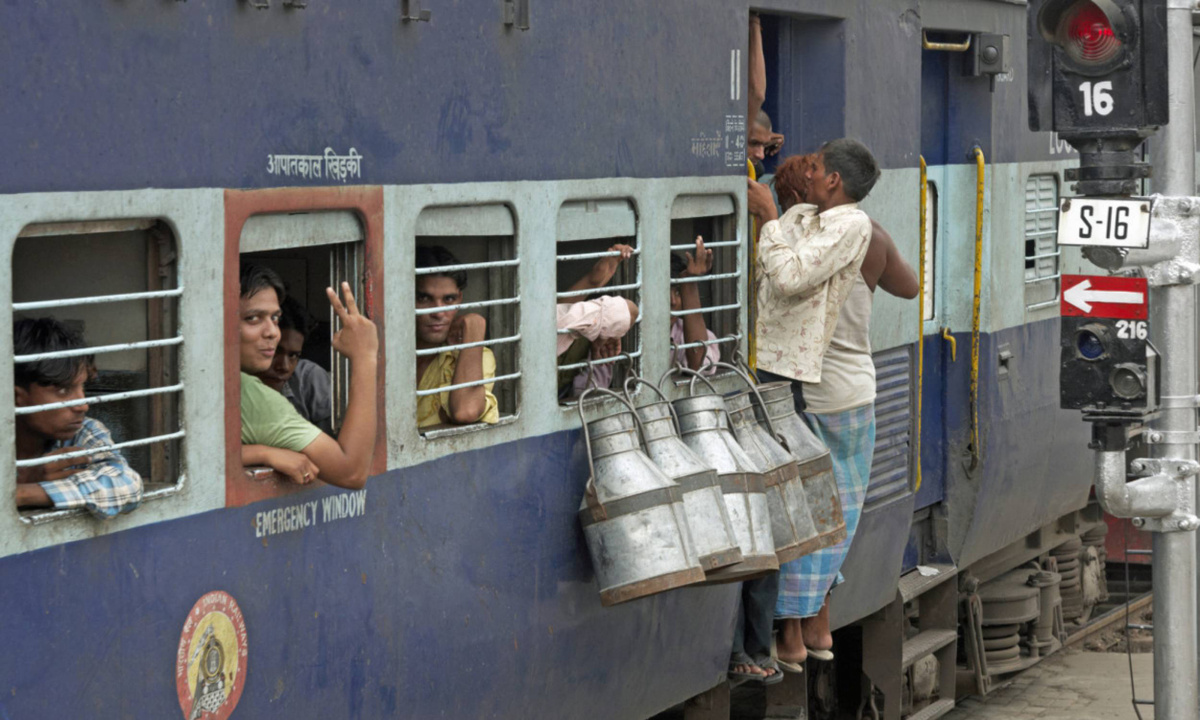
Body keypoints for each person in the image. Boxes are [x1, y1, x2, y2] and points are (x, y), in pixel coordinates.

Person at [750, 143, 915, 667]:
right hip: (851, 390)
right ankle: (816, 629)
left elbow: (790, 277)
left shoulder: (824, 233)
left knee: (808, 516)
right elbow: (910, 288)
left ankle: (795, 635)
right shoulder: (868, 237)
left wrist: (770, 219)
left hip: (819, 394)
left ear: (830, 185)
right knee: (832, 514)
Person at [239, 263, 378, 489]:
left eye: (274, 318)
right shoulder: (250, 393)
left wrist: (258, 453)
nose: (272, 332)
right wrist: (365, 356)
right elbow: (352, 472)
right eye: (253, 318)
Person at [13, 317, 143, 518]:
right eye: (64, 390)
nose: (83, 405)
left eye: (83, 387)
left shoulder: (83, 432)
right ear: (16, 397)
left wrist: (22, 492)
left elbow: (127, 484)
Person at [570, 237, 718, 396]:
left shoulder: (684, 333)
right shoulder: (616, 335)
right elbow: (586, 392)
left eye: (678, 291)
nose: (673, 302)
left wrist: (689, 283)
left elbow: (702, 368)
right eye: (663, 292)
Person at [415, 246, 499, 428]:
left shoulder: (473, 356)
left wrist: (475, 328)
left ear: (460, 299)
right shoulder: (388, 352)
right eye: (424, 298)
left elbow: (465, 411)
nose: (438, 312)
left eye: (449, 299)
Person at [254, 297, 334, 436]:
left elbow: (334, 449)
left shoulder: (309, 379)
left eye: (293, 355)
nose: (284, 366)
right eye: (275, 351)